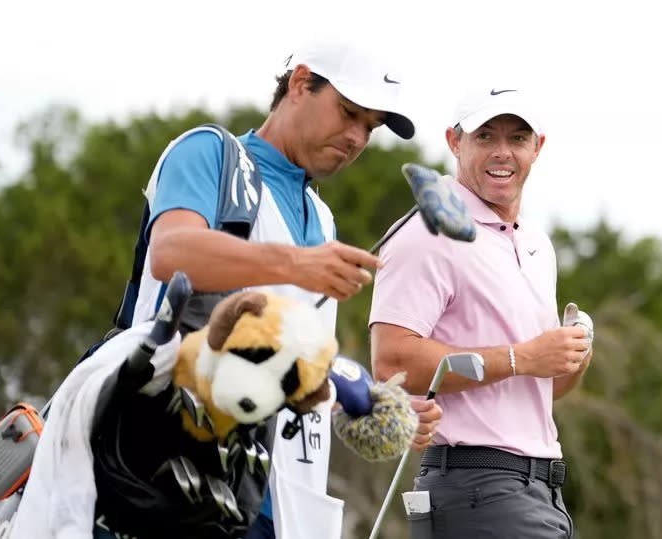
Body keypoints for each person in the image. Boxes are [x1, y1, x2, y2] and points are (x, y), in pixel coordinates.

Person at [97, 40, 442, 539]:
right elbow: (171, 253)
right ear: (301, 83)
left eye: (369, 126)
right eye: (349, 112)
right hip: (175, 478)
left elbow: (289, 359)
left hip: (281, 504)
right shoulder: (210, 152)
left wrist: (361, 395)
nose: (356, 137)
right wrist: (297, 264)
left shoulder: (321, 217)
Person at [369, 86, 593, 539]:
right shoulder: (425, 233)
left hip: (541, 489)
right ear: (454, 141)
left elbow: (539, 391)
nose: (502, 152)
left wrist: (573, 358)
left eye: (518, 138)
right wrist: (522, 357)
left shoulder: (536, 244)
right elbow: (391, 361)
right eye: (486, 136)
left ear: (538, 147)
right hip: (476, 486)